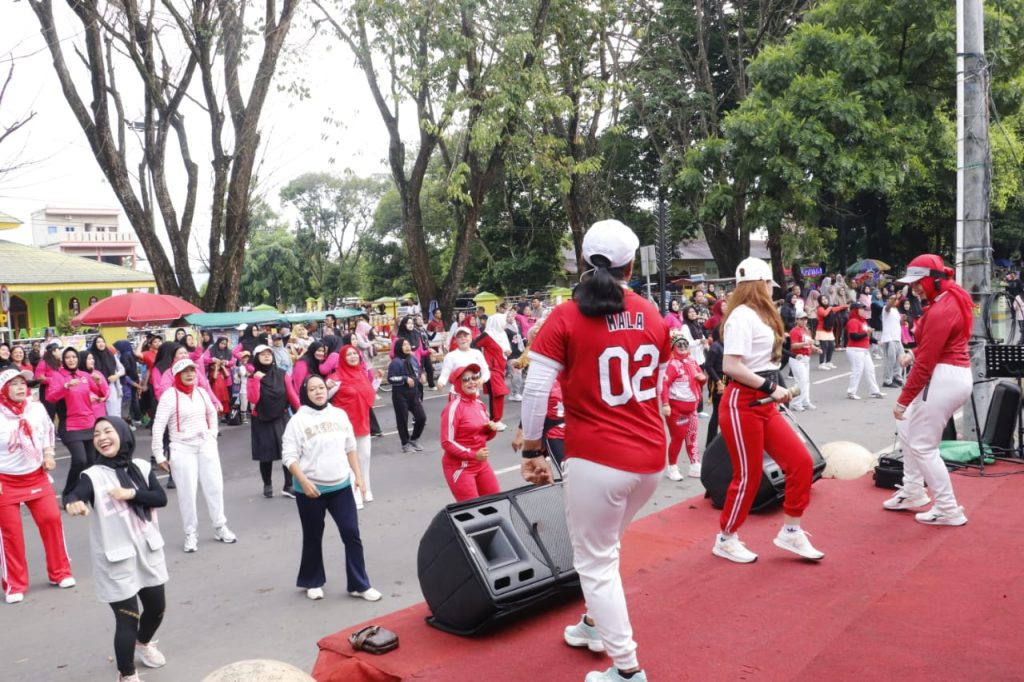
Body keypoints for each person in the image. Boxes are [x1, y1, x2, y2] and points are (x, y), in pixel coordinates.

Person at [519, 219, 669, 682]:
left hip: (598, 458)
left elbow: (536, 387)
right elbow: (658, 382)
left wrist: (531, 447)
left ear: (585, 260)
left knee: (597, 559)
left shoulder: (565, 315)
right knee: (606, 549)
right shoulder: (652, 312)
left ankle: (627, 670)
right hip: (650, 457)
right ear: (629, 265)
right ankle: (592, 624)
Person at [712, 257, 825, 564]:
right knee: (747, 476)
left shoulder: (759, 314)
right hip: (743, 403)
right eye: (767, 283)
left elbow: (764, 355)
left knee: (800, 462)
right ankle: (726, 537)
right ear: (758, 284)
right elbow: (731, 365)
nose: (771, 288)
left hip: (763, 401)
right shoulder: (741, 316)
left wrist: (793, 351)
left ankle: (791, 529)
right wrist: (771, 388)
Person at [64, 416, 169, 682]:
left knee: (157, 609)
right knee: (128, 618)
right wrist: (73, 502)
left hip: (148, 550)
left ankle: (143, 644)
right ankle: (127, 674)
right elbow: (76, 493)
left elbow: (160, 498)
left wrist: (131, 494)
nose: (101, 437)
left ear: (123, 434)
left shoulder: (142, 468)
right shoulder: (93, 475)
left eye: (108, 431)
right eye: (96, 433)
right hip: (116, 558)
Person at [885, 255, 974, 525]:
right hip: (949, 374)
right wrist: (915, 356)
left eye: (918, 282)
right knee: (907, 428)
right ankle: (913, 490)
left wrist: (902, 400)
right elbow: (933, 350)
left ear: (933, 278)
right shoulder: (948, 299)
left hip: (942, 377)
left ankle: (948, 508)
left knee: (923, 445)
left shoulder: (942, 307)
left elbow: (926, 364)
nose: (915, 288)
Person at [282, 375, 381, 602]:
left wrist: (358, 476)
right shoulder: (297, 421)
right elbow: (288, 457)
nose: (318, 392)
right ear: (305, 392)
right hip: (310, 491)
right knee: (313, 535)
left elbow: (350, 446)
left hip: (340, 486)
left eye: (321, 387)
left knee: (351, 533)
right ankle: (313, 581)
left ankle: (359, 584)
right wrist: (304, 482)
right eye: (313, 389)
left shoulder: (339, 414)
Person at [0, 369, 75, 604]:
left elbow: (48, 432)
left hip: (36, 475)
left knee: (52, 520)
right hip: (6, 481)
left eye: (23, 383)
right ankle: (15, 584)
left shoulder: (37, 408)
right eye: (14, 384)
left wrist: (49, 453)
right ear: (3, 390)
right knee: (11, 534)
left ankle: (60, 572)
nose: (22, 387)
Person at [151, 359, 236, 552]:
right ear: (177, 375)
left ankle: (220, 526)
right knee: (187, 493)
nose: (190, 374)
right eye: (185, 371)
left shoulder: (201, 392)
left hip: (206, 446)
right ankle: (190, 532)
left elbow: (212, 413)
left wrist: (212, 434)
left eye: (192, 371)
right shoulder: (169, 397)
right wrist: (159, 455)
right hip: (181, 448)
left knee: (215, 487)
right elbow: (158, 426)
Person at [439, 362, 501, 501]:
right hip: (460, 468)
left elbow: (483, 436)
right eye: (466, 379)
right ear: (457, 384)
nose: (471, 382)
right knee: (473, 511)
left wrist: (491, 430)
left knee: (496, 502)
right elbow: (446, 442)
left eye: (474, 378)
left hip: (481, 464)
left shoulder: (480, 404)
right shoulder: (453, 408)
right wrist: (473, 454)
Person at [328, 345, 379, 509]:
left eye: (354, 354)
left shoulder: (361, 374)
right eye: (348, 355)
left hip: (363, 422)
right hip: (344, 426)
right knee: (350, 461)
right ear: (342, 358)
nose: (352, 357)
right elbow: (322, 399)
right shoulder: (335, 379)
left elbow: (368, 395)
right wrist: (325, 385)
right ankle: (355, 494)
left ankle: (366, 489)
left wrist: (377, 380)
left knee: (365, 457)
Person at [248, 345, 301, 498]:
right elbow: (253, 399)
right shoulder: (253, 377)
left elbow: (291, 395)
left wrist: (302, 411)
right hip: (261, 418)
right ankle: (267, 483)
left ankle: (288, 484)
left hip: (281, 416)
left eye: (269, 354)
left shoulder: (282, 374)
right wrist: (256, 380)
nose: (266, 356)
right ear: (256, 357)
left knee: (287, 451)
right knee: (266, 454)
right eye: (262, 354)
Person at [54, 346, 105, 500]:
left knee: (91, 462)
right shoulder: (58, 376)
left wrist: (99, 383)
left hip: (89, 423)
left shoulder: (85, 375)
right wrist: (65, 386)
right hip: (70, 425)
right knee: (80, 460)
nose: (71, 360)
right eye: (68, 357)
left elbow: (102, 394)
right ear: (63, 360)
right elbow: (51, 397)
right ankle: (69, 493)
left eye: (74, 357)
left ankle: (86, 491)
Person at [661, 336, 706, 480]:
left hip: (692, 408)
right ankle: (672, 467)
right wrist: (665, 404)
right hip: (676, 410)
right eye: (679, 344)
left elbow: (701, 378)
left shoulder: (692, 361)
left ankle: (695, 465)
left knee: (692, 437)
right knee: (678, 438)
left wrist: (702, 378)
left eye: (685, 344)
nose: (682, 346)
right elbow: (664, 385)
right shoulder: (672, 364)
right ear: (673, 347)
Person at [388, 339, 427, 452]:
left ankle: (414, 439)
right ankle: (405, 444)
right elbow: (391, 378)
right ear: (399, 347)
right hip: (400, 394)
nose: (407, 346)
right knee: (402, 420)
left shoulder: (413, 358)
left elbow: (418, 369)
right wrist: (405, 379)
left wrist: (422, 375)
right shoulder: (395, 362)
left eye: (408, 344)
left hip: (413, 393)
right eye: (404, 345)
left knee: (421, 417)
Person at [472, 313, 511, 427]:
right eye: (503, 320)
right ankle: (495, 420)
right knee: (498, 393)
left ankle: (495, 420)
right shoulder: (487, 335)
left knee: (498, 394)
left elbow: (504, 349)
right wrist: (482, 360)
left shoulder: (502, 334)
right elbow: (474, 344)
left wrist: (506, 352)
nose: (505, 323)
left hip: (500, 368)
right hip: (491, 369)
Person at [846, 303, 886, 400]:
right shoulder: (853, 321)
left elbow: (867, 336)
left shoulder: (863, 321)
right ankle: (851, 392)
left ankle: (874, 391)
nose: (863, 311)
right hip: (855, 349)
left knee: (870, 369)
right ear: (854, 310)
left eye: (863, 309)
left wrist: (876, 341)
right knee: (857, 370)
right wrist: (866, 333)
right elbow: (853, 336)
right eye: (860, 309)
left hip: (864, 349)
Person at [437, 326, 490, 391]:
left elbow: (486, 371)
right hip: (457, 395)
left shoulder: (477, 353)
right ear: (456, 340)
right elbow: (444, 374)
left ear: (470, 338)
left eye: (465, 336)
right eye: (459, 337)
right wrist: (441, 383)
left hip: (473, 394)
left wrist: (482, 379)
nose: (463, 339)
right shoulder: (450, 356)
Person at [787, 311, 819, 411]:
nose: (804, 321)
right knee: (801, 381)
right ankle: (796, 403)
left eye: (805, 319)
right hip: (797, 358)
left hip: (806, 358)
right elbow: (793, 345)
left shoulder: (806, 330)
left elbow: (809, 343)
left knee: (806, 381)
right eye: (801, 319)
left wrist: (815, 348)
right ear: (797, 320)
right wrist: (805, 343)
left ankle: (805, 401)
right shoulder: (794, 331)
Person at [880, 294, 904, 388]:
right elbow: (889, 305)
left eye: (896, 299)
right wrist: (894, 297)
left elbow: (898, 323)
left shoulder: (896, 310)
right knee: (890, 361)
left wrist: (902, 320)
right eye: (892, 299)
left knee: (900, 359)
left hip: (897, 338)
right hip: (889, 339)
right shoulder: (886, 308)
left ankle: (897, 378)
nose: (895, 300)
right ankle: (887, 381)